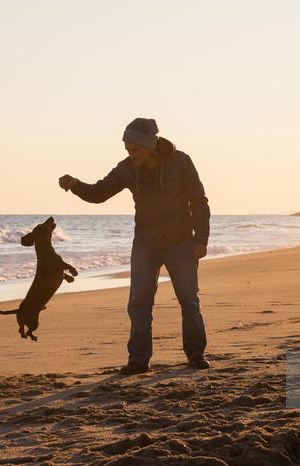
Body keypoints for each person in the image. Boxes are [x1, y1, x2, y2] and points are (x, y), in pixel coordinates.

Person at [58, 117, 211, 374]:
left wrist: (201, 239)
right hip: (145, 243)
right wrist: (76, 185)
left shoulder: (181, 162)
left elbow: (199, 201)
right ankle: (138, 360)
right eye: (127, 150)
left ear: (150, 145)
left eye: (135, 150)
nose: (131, 155)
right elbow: (99, 193)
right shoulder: (127, 168)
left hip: (181, 241)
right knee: (139, 302)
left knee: (189, 301)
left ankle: (196, 355)